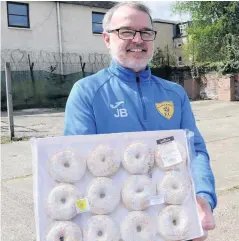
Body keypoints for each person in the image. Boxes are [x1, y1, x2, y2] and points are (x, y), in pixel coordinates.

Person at [64, 2, 216, 240]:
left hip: (171, 220)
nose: (138, 39)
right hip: (114, 226)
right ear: (107, 38)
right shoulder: (87, 92)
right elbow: (78, 167)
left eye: (146, 32)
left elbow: (194, 150)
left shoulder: (174, 94)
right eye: (126, 31)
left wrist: (203, 196)